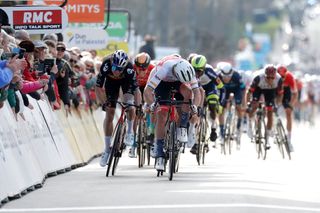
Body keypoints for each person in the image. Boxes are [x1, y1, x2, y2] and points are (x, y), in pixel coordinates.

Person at [144, 54, 201, 170]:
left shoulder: (188, 69)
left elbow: (197, 92)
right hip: (162, 83)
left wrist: (194, 106)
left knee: (188, 94)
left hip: (179, 82)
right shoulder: (163, 69)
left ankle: (182, 128)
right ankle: (159, 151)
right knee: (162, 114)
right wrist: (152, 104)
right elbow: (147, 90)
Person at [96, 50, 139, 166]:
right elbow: (98, 87)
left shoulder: (129, 68)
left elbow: (136, 90)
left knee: (130, 105)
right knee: (109, 113)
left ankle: (130, 132)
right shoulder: (106, 64)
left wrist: (137, 106)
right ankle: (107, 149)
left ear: (124, 66)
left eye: (120, 69)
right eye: (115, 67)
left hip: (126, 83)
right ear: (111, 62)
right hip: (111, 84)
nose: (116, 71)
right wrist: (103, 103)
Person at [189, 55, 225, 153]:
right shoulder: (190, 71)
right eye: (194, 70)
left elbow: (222, 88)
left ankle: (213, 128)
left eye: (199, 71)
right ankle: (196, 142)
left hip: (210, 87)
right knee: (195, 111)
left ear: (204, 68)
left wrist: (221, 104)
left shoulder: (210, 72)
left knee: (212, 105)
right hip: (197, 88)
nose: (197, 73)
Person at [247, 64, 283, 149]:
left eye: (272, 78)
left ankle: (267, 140)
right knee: (254, 105)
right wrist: (249, 103)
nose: (270, 80)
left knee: (270, 112)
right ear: (265, 75)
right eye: (268, 77)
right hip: (258, 89)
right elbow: (248, 92)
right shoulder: (258, 78)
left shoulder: (279, 79)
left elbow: (280, 94)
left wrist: (277, 104)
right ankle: (250, 123)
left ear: (275, 76)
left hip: (270, 91)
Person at [217, 62, 245, 149]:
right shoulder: (218, 76)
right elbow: (216, 90)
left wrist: (243, 102)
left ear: (232, 74)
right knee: (221, 109)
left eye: (228, 76)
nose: (226, 78)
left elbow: (243, 89)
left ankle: (239, 125)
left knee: (238, 106)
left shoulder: (236, 76)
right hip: (224, 91)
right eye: (224, 77)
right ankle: (221, 131)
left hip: (236, 90)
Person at [133, 52, 155, 142]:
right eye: (139, 68)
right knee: (134, 112)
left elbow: (154, 89)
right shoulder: (132, 68)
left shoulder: (153, 69)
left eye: (144, 69)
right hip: (136, 87)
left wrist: (150, 103)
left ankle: (151, 131)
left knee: (151, 107)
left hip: (148, 88)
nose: (142, 71)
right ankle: (133, 139)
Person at [276, 65, 296, 152]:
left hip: (286, 92)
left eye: (283, 77)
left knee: (288, 112)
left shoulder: (290, 77)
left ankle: (289, 138)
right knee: (271, 109)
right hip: (276, 91)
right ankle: (273, 128)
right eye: (280, 77)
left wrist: (291, 104)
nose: (282, 79)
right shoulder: (274, 77)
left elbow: (295, 94)